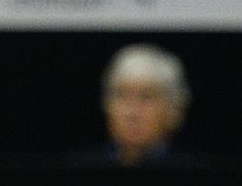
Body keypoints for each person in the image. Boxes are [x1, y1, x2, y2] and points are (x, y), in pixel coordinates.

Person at [65, 43, 205, 168]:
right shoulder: (74, 172)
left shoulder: (201, 175)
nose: (131, 112)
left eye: (146, 97)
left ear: (174, 110)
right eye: (121, 96)